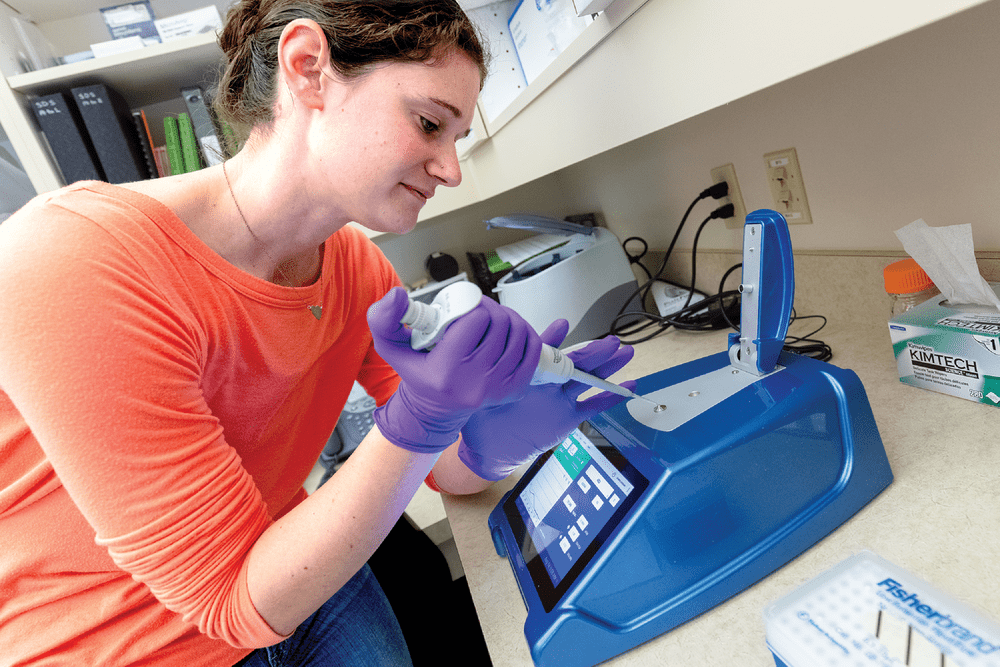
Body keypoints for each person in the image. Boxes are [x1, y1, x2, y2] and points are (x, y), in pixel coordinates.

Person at [0, 1, 636, 665]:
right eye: (428, 123)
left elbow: (440, 464)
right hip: (124, 642)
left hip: (292, 568)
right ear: (308, 69)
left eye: (457, 137)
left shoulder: (356, 269)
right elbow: (230, 601)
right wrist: (424, 414)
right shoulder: (73, 261)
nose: (450, 168)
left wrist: (498, 438)